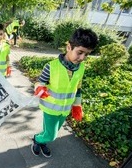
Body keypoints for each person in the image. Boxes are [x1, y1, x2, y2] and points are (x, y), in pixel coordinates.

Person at [31, 28, 98, 158]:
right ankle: (37, 140)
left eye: (87, 54)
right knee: (52, 134)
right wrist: (39, 88)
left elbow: (77, 88)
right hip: (50, 108)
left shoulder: (81, 67)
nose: (83, 58)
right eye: (80, 52)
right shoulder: (51, 66)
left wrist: (77, 106)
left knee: (51, 131)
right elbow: (40, 82)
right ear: (69, 47)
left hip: (65, 109)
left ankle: (43, 141)